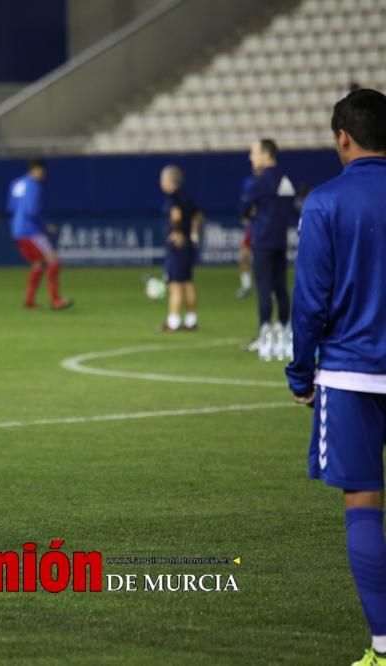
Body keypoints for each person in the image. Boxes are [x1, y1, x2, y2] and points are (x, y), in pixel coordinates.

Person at [287, 88, 386, 666]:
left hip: (350, 375)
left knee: (363, 502)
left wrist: (302, 374)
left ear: (342, 138)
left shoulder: (325, 202)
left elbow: (311, 304)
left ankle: (383, 645)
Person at [241, 138, 296, 359]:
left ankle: (265, 334)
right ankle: (284, 333)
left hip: (262, 241)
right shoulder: (284, 180)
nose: (250, 157)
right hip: (280, 241)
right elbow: (291, 205)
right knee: (281, 287)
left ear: (266, 155)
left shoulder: (259, 181)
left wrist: (251, 214)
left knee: (264, 289)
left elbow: (244, 207)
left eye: (254, 153)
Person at [6, 159, 72, 310]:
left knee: (39, 263)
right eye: (42, 172)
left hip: (16, 230)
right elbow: (31, 211)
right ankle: (56, 301)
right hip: (30, 230)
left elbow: (10, 206)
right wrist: (45, 225)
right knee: (53, 260)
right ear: (36, 170)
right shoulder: (34, 186)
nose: (43, 175)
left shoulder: (17, 183)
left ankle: (29, 301)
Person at [158, 165, 202, 332]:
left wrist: (177, 232)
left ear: (170, 181)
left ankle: (173, 321)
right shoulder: (187, 198)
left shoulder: (174, 198)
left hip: (177, 247)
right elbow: (198, 216)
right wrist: (193, 234)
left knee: (175, 284)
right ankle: (191, 320)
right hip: (188, 247)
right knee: (187, 282)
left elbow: (176, 215)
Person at [236, 169, 259, 300]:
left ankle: (271, 289)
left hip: (266, 229)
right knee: (244, 257)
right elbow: (244, 206)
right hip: (252, 228)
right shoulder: (249, 182)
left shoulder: (271, 183)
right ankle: (246, 286)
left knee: (265, 261)